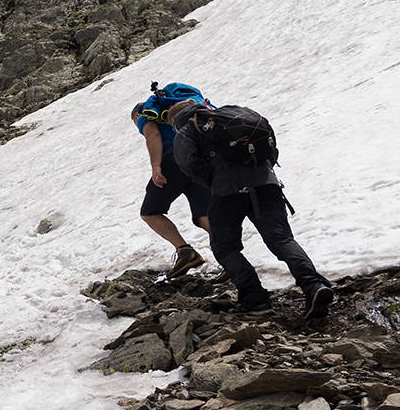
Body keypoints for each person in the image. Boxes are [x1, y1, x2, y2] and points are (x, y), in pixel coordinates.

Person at [170, 99, 333, 318]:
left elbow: (188, 163)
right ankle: (313, 285)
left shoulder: (187, 130)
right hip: (268, 185)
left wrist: (214, 180)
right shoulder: (235, 115)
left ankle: (255, 299)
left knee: (225, 247)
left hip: (228, 193)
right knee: (281, 239)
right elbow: (269, 145)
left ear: (174, 121)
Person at [132, 81, 211, 278]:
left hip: (173, 161)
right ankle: (230, 257)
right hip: (196, 159)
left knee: (149, 212)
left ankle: (185, 251)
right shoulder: (174, 110)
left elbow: (153, 134)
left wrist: (156, 167)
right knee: (204, 213)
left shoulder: (145, 115)